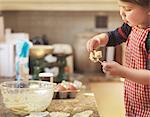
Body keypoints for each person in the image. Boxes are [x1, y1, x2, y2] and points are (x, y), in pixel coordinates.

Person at [86, 0, 150, 116]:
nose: (122, 13)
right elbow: (114, 36)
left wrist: (122, 71)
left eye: (128, 9)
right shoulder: (131, 26)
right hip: (134, 100)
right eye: (120, 7)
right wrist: (99, 40)